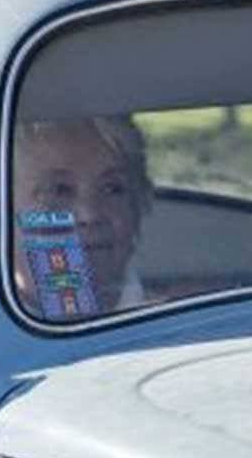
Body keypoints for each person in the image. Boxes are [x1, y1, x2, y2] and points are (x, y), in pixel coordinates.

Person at [11, 114, 152, 318]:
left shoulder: (181, 319)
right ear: (2, 212)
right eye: (59, 190)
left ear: (138, 205)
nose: (90, 214)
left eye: (112, 189)